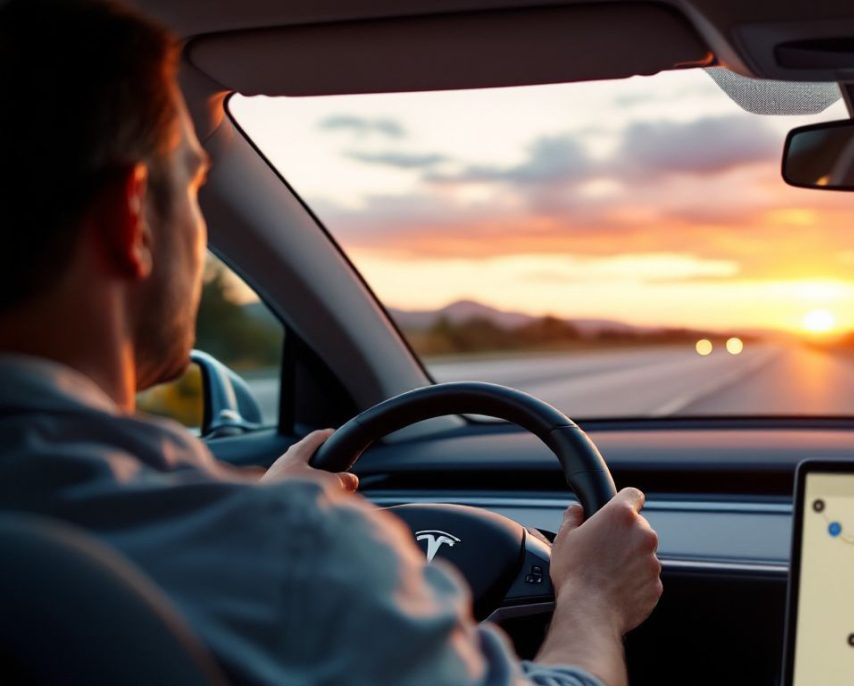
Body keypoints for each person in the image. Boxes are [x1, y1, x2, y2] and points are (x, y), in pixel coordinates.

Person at [0, 1, 663, 684]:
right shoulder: (300, 564)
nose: (198, 237)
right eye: (195, 185)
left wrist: (258, 510)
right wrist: (593, 598)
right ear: (131, 218)